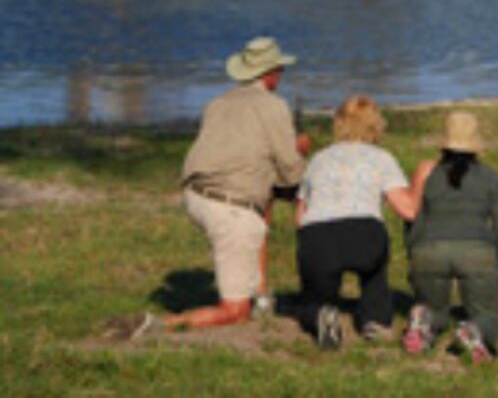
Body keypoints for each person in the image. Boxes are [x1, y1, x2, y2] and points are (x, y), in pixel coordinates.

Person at [125, 36, 310, 338]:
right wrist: (299, 150)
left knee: (258, 202)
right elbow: (291, 174)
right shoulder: (274, 105)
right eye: (280, 70)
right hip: (230, 207)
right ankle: (157, 326)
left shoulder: (217, 103)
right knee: (235, 312)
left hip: (196, 196)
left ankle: (261, 295)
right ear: (271, 73)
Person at [293, 95, 425, 350]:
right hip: (363, 233)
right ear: (376, 125)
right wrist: (420, 186)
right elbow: (407, 210)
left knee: (314, 296)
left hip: (317, 237)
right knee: (374, 273)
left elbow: (300, 216)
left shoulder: (318, 159)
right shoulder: (381, 158)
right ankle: (375, 319)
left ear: (339, 123)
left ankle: (321, 312)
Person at [402, 110, 498, 362]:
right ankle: (475, 329)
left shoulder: (428, 174)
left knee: (436, 310)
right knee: (487, 315)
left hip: (428, 250)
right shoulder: (490, 178)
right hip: (476, 253)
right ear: (475, 145)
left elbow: (412, 220)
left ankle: (426, 320)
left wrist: (413, 257)